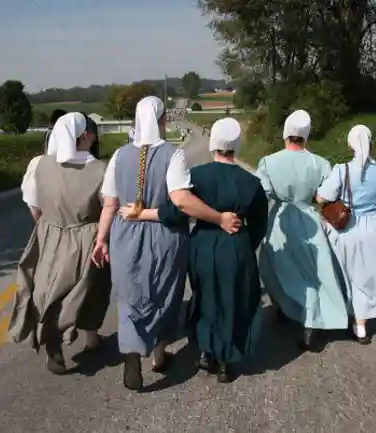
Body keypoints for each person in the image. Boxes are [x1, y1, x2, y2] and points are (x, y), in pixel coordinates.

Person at [92, 96, 241, 391]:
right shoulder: (173, 155)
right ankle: (159, 356)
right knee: (163, 294)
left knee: (129, 296)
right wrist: (218, 218)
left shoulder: (119, 156)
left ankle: (132, 352)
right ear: (161, 121)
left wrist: (101, 239)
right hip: (164, 234)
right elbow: (182, 202)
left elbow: (109, 204)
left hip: (124, 233)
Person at [120, 117, 268, 383]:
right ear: (237, 145)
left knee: (205, 296)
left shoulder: (196, 176)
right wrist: (247, 245)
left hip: (202, 242)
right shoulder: (251, 183)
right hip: (235, 244)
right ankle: (225, 361)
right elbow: (259, 224)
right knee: (232, 300)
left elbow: (177, 211)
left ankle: (205, 351)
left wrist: (141, 213)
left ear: (212, 144)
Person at [8, 112, 111, 375]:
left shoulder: (39, 164)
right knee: (90, 288)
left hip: (50, 232)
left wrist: (48, 224)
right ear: (84, 136)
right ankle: (90, 337)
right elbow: (107, 206)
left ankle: (54, 341)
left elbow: (33, 203)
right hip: (88, 234)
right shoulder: (100, 169)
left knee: (46, 288)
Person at [256, 110, 348, 350]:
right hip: (309, 218)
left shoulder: (268, 162)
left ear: (285, 133)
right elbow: (325, 197)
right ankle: (312, 319)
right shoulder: (320, 163)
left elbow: (261, 194)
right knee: (313, 272)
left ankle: (291, 310)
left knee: (274, 266)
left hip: (280, 219)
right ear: (306, 136)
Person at [315, 125, 376, 344]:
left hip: (349, 227)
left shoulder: (341, 169)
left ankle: (358, 323)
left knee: (351, 274)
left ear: (349, 144)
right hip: (375, 225)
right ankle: (365, 319)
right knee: (371, 272)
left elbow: (321, 197)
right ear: (371, 143)